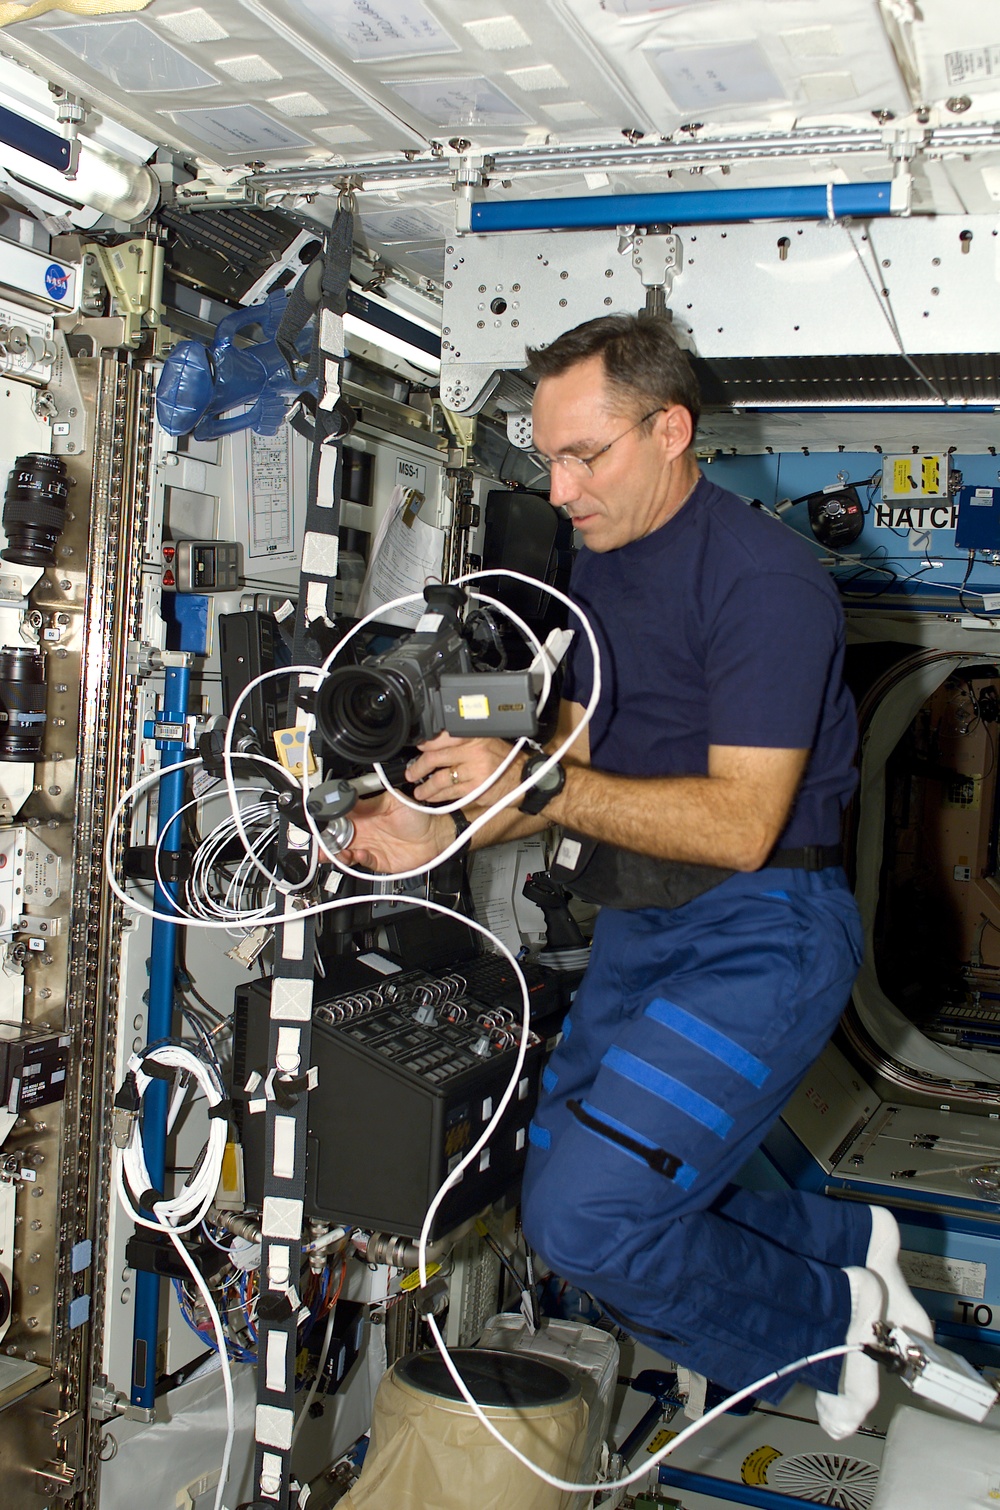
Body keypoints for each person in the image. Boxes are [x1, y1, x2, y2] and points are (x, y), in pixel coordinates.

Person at [339, 313, 932, 1438]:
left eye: (584, 455)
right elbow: (573, 739)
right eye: (547, 454)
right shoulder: (599, 570)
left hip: (763, 928)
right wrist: (426, 817)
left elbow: (741, 821)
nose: (559, 488)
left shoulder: (767, 582)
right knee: (560, 1175)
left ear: (670, 429)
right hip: (643, 921)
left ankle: (831, 1316)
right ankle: (853, 1246)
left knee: (585, 1224)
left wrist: (536, 786)